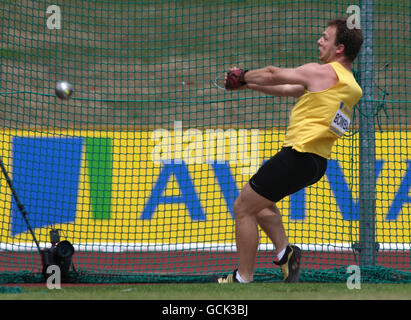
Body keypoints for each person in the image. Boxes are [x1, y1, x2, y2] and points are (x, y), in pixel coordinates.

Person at [216, 18, 364, 283]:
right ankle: (286, 253)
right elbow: (287, 88)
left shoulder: (323, 72)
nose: (319, 41)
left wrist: (242, 74)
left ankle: (242, 277)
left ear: (339, 48)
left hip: (297, 155)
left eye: (325, 37)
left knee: (243, 208)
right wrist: (247, 85)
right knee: (260, 204)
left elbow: (273, 73)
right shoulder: (348, 84)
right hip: (316, 164)